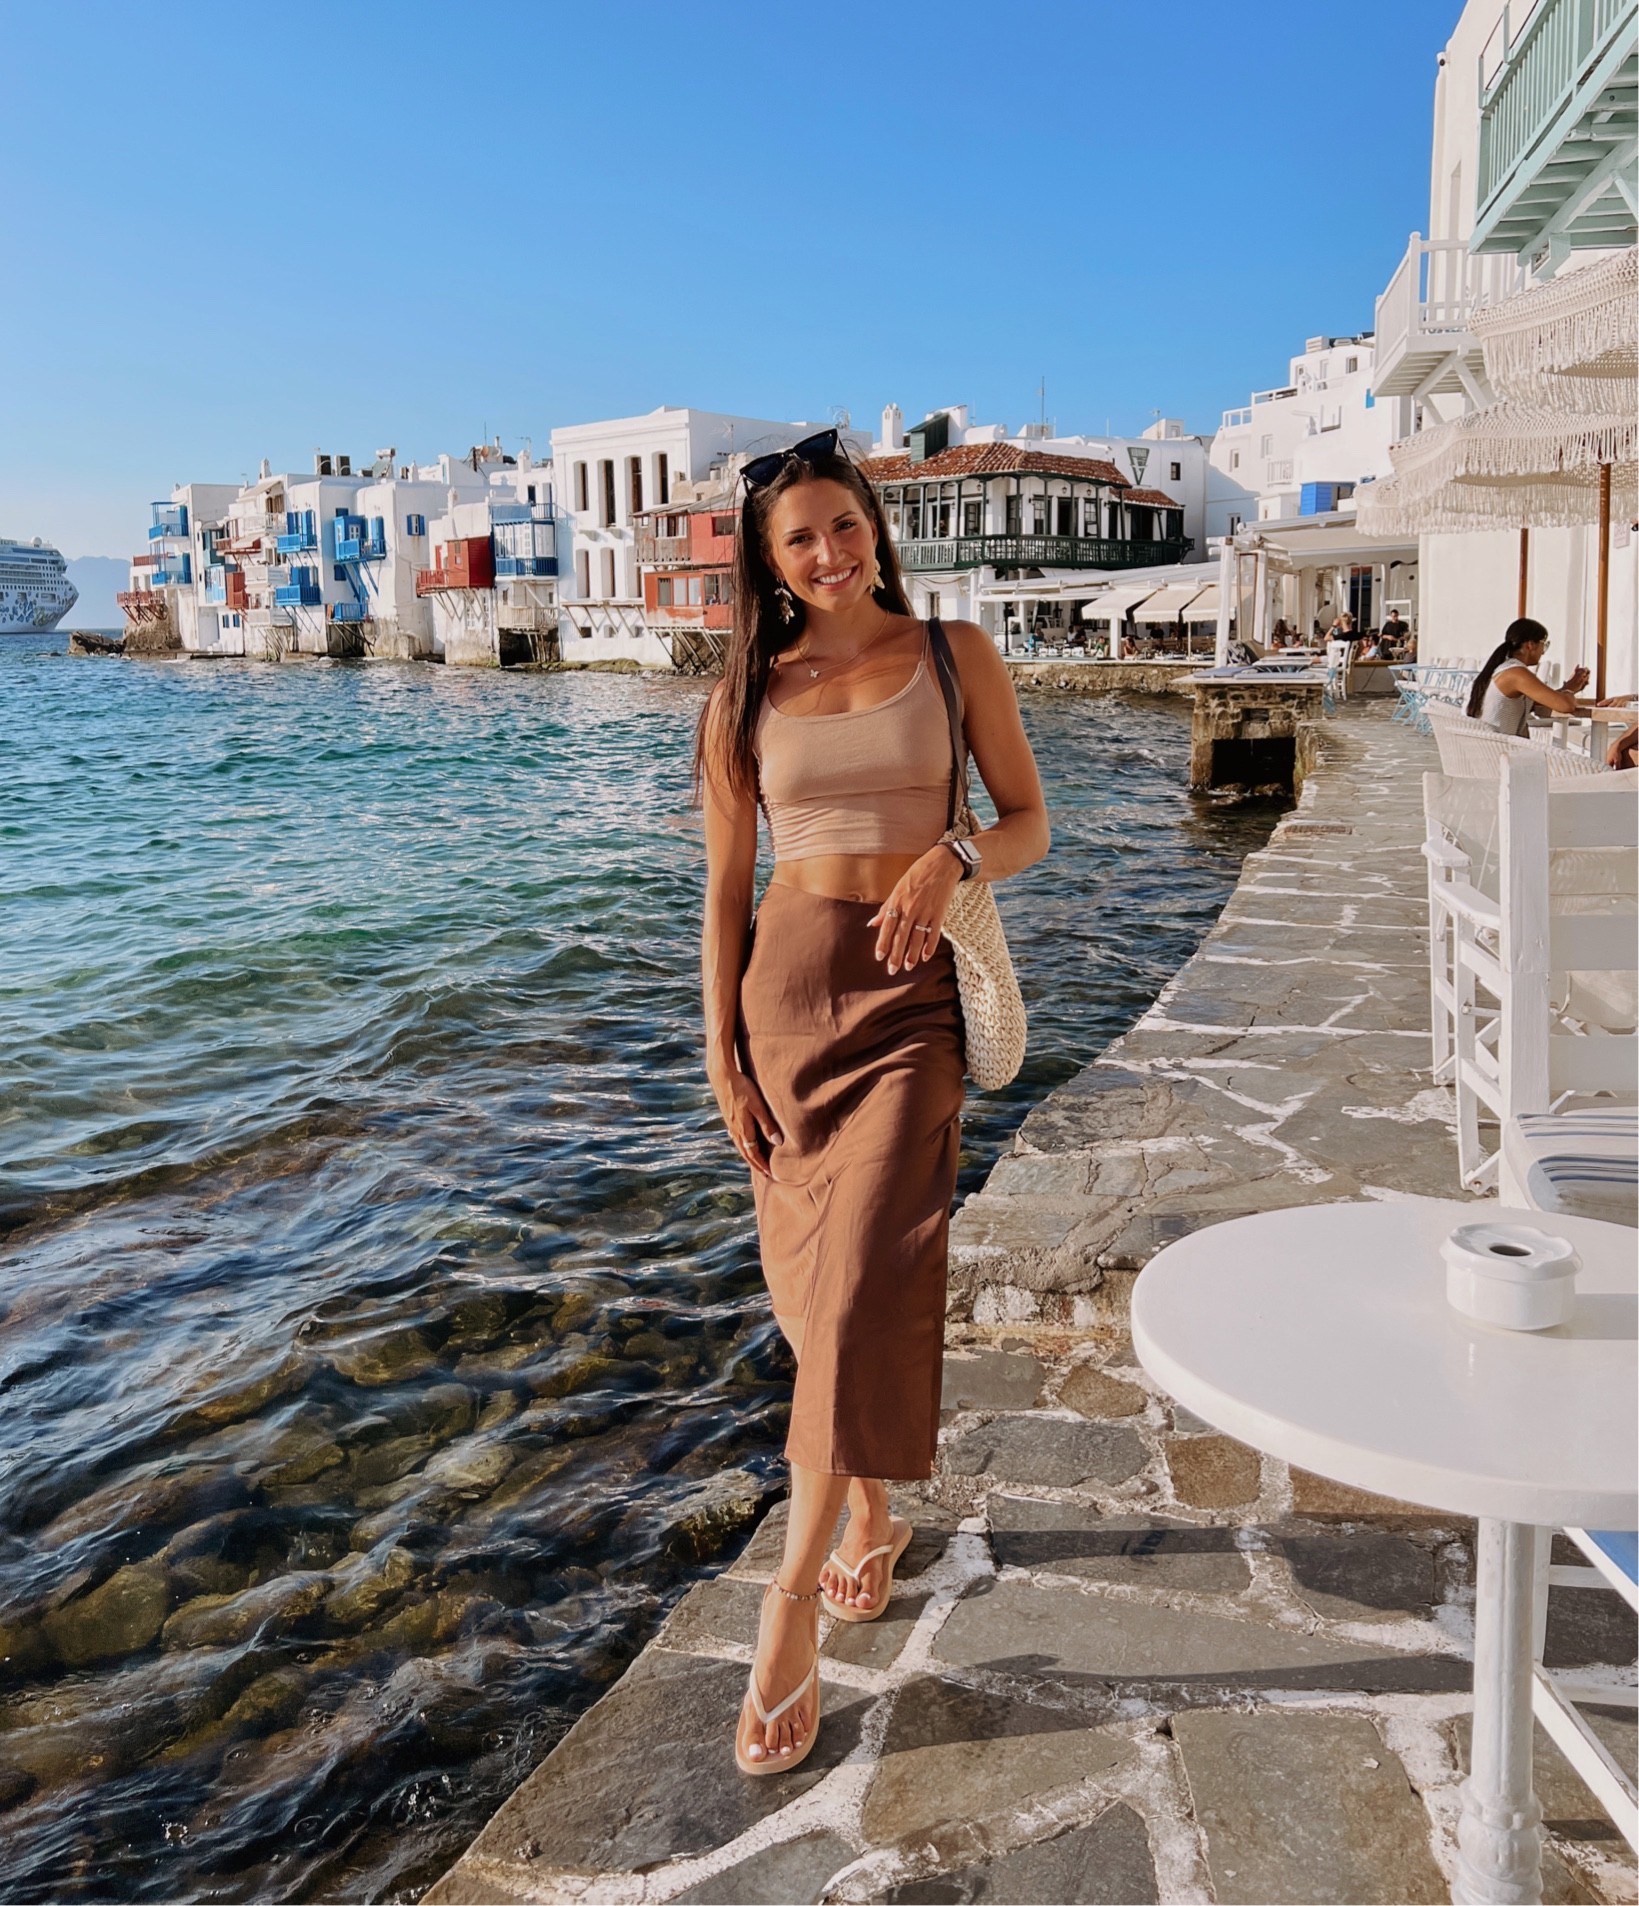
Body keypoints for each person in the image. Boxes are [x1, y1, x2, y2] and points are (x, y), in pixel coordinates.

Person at [696, 430, 1050, 1776]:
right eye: (800, 538)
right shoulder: (742, 694)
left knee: (857, 1286)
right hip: (784, 1001)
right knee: (808, 1298)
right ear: (769, 562)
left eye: (843, 525)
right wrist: (719, 1051)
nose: (829, 552)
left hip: (910, 1005)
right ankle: (870, 1517)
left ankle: (785, 1603)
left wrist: (950, 855)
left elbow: (1027, 820)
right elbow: (725, 889)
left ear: (873, 528)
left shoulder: (954, 655)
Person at [1465, 617, 1592, 733]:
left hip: (1487, 746)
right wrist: (1569, 690)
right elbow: (1566, 706)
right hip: (1499, 748)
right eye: (1544, 645)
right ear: (1530, 645)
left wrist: (1570, 687)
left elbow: (1545, 700)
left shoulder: (1502, 668)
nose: (1543, 652)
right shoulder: (1515, 673)